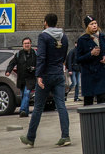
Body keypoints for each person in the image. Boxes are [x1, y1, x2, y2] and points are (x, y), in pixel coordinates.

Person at [20, 12, 70, 148]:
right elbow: (64, 54)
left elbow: (41, 57)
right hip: (59, 74)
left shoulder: (44, 36)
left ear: (45, 23)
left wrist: (39, 75)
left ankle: (30, 138)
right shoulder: (63, 37)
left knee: (38, 107)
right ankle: (65, 136)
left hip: (46, 75)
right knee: (61, 105)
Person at [76, 14, 105, 105]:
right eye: (91, 24)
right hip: (88, 75)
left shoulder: (101, 37)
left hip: (100, 73)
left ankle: (103, 119)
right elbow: (78, 59)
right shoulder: (82, 40)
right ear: (87, 26)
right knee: (88, 102)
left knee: (102, 100)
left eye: (95, 23)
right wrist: (90, 54)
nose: (94, 25)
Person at [5, 37, 36, 118]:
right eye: (25, 43)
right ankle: (25, 112)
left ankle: (22, 110)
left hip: (30, 78)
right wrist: (8, 71)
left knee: (26, 93)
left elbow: (39, 64)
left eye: (28, 43)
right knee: (23, 95)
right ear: (23, 45)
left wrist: (35, 69)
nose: (27, 45)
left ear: (30, 44)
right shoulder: (19, 54)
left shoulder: (35, 54)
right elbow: (12, 63)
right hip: (21, 78)